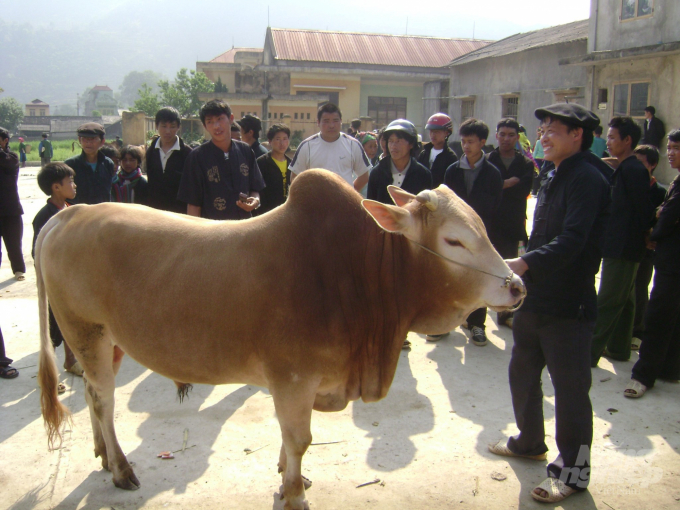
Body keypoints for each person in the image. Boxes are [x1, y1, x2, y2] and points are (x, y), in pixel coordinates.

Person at [490, 103, 610, 503]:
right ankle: (529, 442)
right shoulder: (553, 173)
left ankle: (573, 474)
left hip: (568, 306)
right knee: (522, 372)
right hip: (536, 299)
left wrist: (523, 263)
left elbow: (574, 240)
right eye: (541, 129)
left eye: (552, 129)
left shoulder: (588, 179)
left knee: (571, 392)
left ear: (578, 135)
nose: (543, 135)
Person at [591, 116, 654, 366]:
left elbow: (643, 210)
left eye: (613, 137)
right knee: (626, 300)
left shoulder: (634, 170)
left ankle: (587, 353)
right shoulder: (626, 167)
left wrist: (649, 235)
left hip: (625, 246)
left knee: (607, 300)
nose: (609, 141)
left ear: (627, 141)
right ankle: (618, 348)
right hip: (620, 243)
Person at [626, 129, 680, 398]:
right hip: (672, 258)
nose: (671, 153)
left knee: (658, 317)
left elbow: (669, 216)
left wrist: (653, 234)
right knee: (673, 316)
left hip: (672, 261)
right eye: (669, 147)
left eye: (676, 148)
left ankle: (642, 375)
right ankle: (669, 369)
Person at [442, 118, 503, 346]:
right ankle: (445, 323)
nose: (466, 146)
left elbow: (494, 205)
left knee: (479, 279)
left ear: (482, 143)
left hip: (480, 235)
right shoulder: (452, 170)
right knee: (452, 277)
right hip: (455, 236)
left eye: (471, 142)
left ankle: (477, 325)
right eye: (464, 141)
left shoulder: (493, 174)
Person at [32, 162, 82, 378]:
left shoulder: (70, 210)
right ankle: (48, 372)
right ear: (56, 187)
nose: (74, 185)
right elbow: (38, 252)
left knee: (72, 321)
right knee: (54, 327)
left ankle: (71, 360)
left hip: (73, 277)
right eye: (70, 181)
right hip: (56, 279)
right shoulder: (45, 217)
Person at [178, 99, 265, 220]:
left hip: (244, 229)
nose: (216, 126)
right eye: (210, 122)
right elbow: (193, 203)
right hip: (213, 232)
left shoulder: (245, 151)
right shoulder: (197, 157)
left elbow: (255, 188)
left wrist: (255, 201)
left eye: (220, 119)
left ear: (231, 119)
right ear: (205, 126)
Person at [487, 118, 535, 327]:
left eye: (511, 135)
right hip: (489, 222)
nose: (506, 139)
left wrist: (499, 186)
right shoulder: (487, 160)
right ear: (496, 136)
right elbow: (485, 190)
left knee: (510, 268)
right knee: (486, 267)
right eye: (502, 134)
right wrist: (507, 183)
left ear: (517, 138)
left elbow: (523, 190)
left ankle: (505, 313)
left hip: (514, 223)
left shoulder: (525, 163)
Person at [631, 145, 667, 351]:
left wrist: (649, 235)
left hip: (646, 249)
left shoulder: (659, 191)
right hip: (628, 245)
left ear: (652, 165)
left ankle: (637, 330)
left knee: (640, 287)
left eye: (641, 163)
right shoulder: (630, 186)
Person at [289, 103, 371, 193]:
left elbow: (364, 175)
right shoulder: (307, 146)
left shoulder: (353, 144)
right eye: (326, 121)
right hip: (315, 204)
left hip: (343, 204)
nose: (331, 125)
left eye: (335, 121)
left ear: (341, 121)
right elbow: (295, 177)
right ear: (318, 122)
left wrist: (349, 193)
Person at [367, 119, 432, 205]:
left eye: (398, 141)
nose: (393, 146)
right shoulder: (377, 173)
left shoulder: (423, 175)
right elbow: (371, 209)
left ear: (411, 144)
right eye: (390, 141)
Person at [144, 107, 193, 214]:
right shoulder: (151, 152)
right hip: (154, 212)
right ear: (156, 126)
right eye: (164, 126)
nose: (168, 131)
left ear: (178, 127)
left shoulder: (187, 153)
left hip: (179, 214)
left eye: (172, 127)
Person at [65, 123, 114, 205]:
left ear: (102, 141)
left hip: (102, 213)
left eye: (93, 139)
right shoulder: (70, 164)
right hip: (79, 213)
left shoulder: (108, 164)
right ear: (79, 140)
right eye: (84, 139)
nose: (88, 142)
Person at [0, 127, 26, 281]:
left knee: (14, 244)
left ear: (5, 141)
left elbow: (7, 163)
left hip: (11, 210)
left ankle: (18, 271)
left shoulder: (12, 157)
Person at [255, 123, 292, 215]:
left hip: (287, 213)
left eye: (285, 139)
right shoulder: (261, 163)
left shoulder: (292, 164)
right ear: (270, 141)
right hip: (267, 214)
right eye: (278, 139)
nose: (282, 143)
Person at [417, 113, 458, 188]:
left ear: (446, 133)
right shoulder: (424, 154)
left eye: (437, 132)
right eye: (431, 131)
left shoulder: (450, 157)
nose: (433, 135)